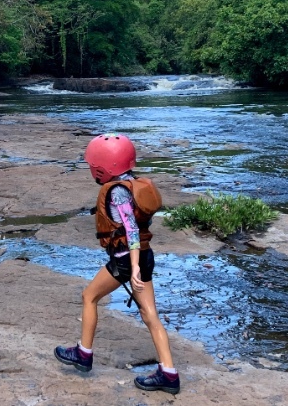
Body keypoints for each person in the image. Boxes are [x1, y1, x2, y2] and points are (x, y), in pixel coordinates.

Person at [54, 133, 180, 395]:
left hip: (126, 260)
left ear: (103, 166)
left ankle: (83, 353)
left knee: (89, 296)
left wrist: (132, 267)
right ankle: (169, 373)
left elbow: (131, 230)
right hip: (145, 255)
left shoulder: (117, 193)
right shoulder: (133, 183)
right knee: (150, 314)